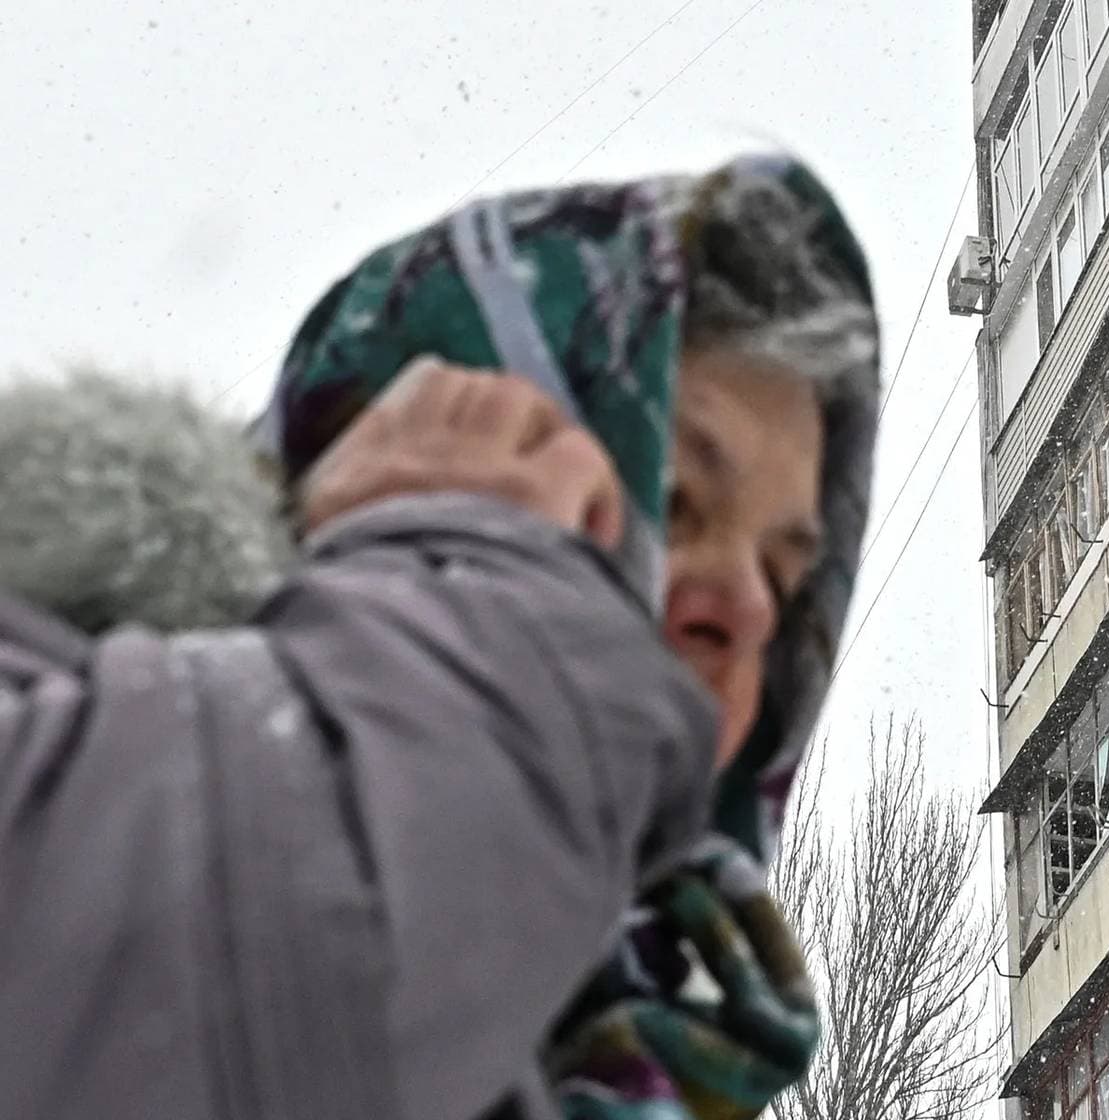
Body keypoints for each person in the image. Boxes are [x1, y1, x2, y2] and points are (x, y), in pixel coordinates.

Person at [0, 156, 879, 1120]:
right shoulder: (49, 732)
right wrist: (477, 600)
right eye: (670, 501)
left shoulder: (670, 1055)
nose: (750, 613)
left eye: (785, 581)